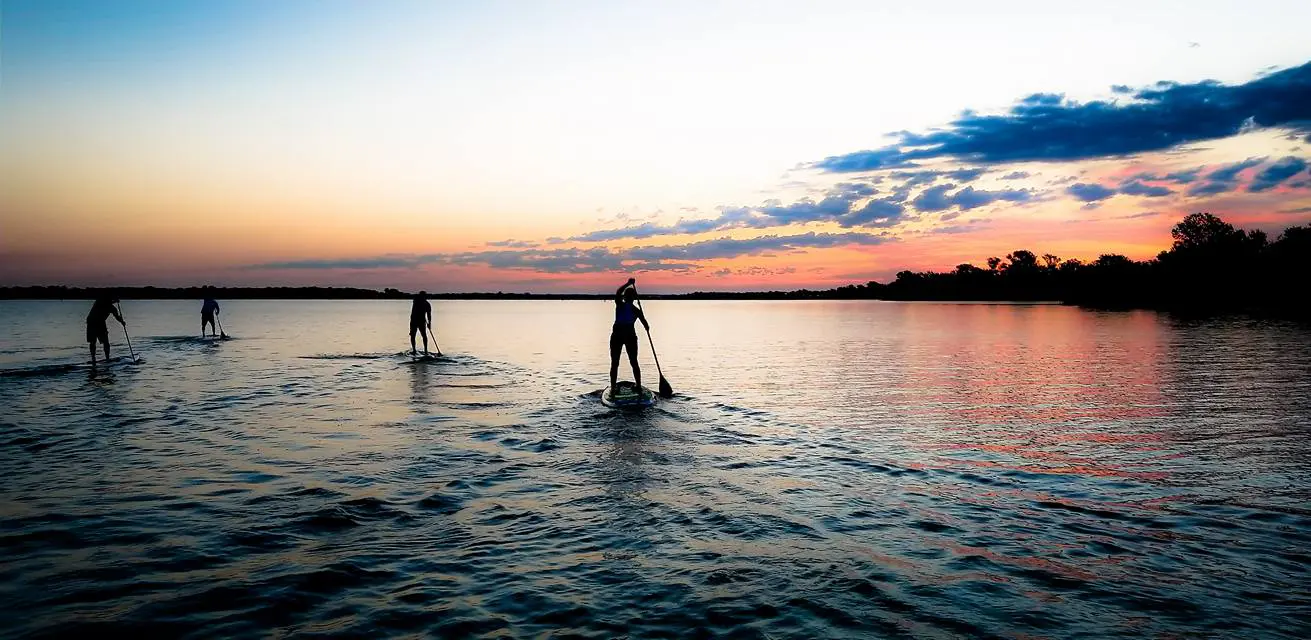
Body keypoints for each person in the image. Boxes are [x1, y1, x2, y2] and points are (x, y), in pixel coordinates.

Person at [609, 277, 649, 391]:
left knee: (615, 362)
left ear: (625, 297)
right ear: (634, 298)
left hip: (619, 335)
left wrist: (627, 284)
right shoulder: (635, 310)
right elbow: (646, 325)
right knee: (633, 361)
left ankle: (613, 387)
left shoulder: (620, 305)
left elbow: (618, 293)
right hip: (628, 335)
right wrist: (646, 326)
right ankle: (638, 385)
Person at [86, 296, 125, 365]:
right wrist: (114, 301)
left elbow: (117, 316)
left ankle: (107, 358)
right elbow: (103, 302)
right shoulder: (99, 302)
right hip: (92, 322)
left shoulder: (112, 308)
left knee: (106, 342)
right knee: (92, 342)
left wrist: (122, 321)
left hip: (100, 323)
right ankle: (93, 359)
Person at [410, 291, 434, 355]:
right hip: (414, 320)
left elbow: (429, 315)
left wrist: (429, 324)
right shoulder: (415, 301)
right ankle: (414, 350)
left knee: (424, 335)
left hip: (421, 321)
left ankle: (426, 350)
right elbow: (415, 298)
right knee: (413, 335)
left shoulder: (427, 304)